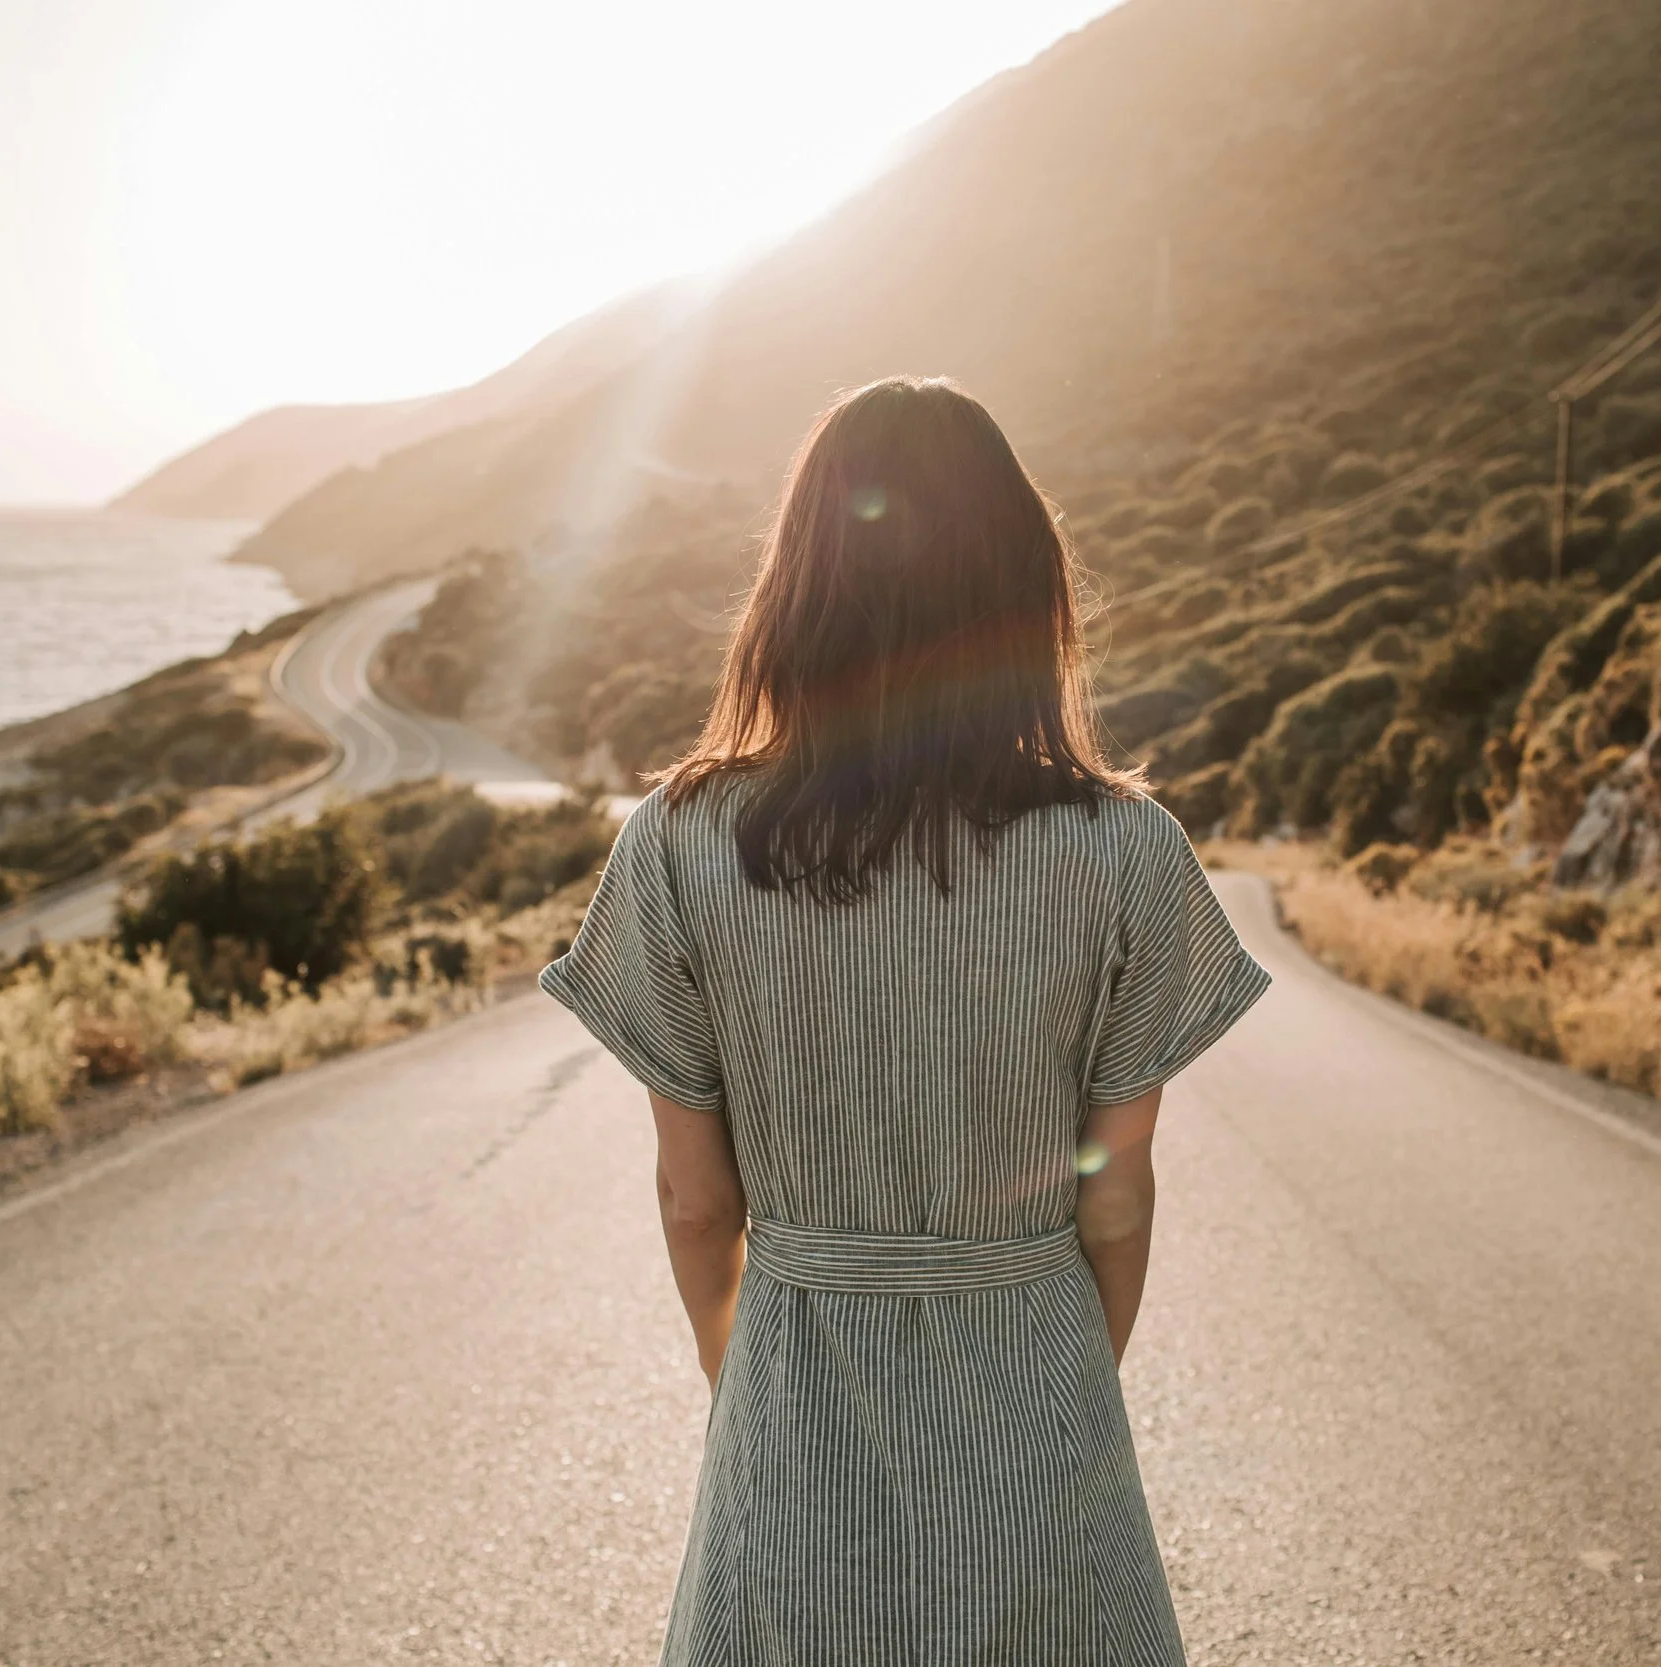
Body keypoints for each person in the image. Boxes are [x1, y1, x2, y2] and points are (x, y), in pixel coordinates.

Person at [540, 376, 1270, 1665]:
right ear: (1023, 590)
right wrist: (1052, 1375)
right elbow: (1118, 1195)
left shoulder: (674, 844)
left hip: (793, 1378)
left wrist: (756, 1384)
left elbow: (697, 1206)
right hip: (1039, 1378)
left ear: (797, 588)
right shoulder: (1128, 849)